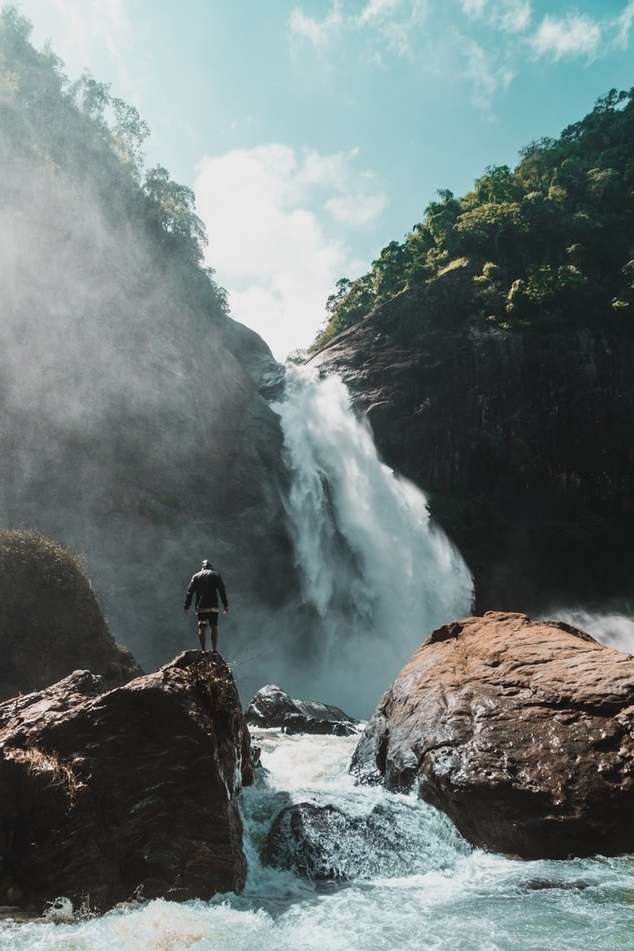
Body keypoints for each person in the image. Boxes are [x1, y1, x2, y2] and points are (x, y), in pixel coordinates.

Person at [183, 559, 229, 652]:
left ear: (202, 567)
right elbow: (221, 590)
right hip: (213, 606)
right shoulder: (216, 574)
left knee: (202, 626)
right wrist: (225, 604)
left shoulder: (196, 576)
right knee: (214, 626)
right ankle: (214, 650)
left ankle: (203, 650)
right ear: (211, 566)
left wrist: (186, 605)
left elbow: (189, 592)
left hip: (201, 607)